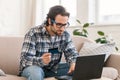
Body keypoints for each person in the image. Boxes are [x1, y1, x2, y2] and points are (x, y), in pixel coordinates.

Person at [19, 5, 79, 80]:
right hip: (34, 68)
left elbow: (72, 54)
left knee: (80, 68)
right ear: (50, 21)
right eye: (59, 25)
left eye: (64, 25)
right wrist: (41, 60)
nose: (62, 29)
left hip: (54, 69)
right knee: (36, 73)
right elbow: (24, 60)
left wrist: (73, 63)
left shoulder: (65, 35)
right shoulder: (33, 33)